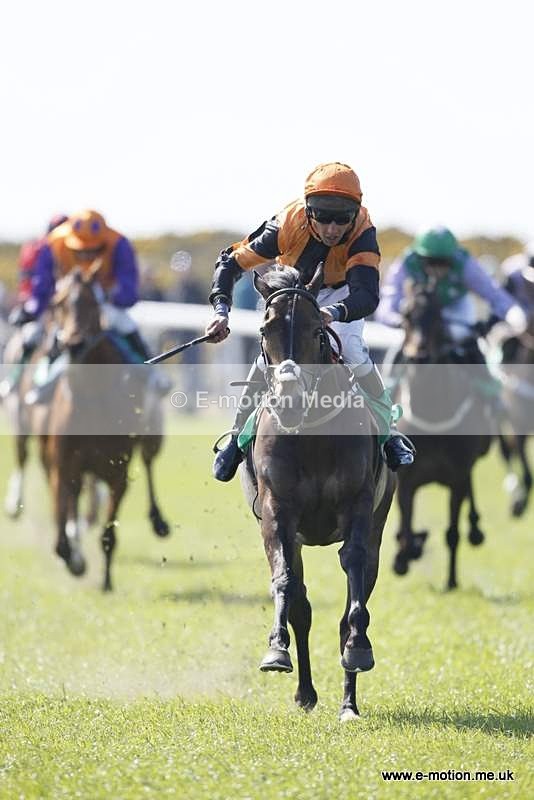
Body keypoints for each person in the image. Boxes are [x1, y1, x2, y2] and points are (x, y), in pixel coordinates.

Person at [206, 161, 415, 482]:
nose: (332, 229)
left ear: (355, 213)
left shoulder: (362, 231)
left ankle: (388, 434)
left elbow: (367, 296)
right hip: (291, 290)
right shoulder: (285, 224)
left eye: (342, 220)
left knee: (351, 347)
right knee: (270, 358)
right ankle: (237, 438)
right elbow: (231, 262)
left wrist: (334, 312)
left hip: (341, 294)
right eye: (323, 218)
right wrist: (221, 310)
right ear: (308, 211)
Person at [10, 209, 166, 403]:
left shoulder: (119, 243)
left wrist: (110, 296)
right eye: (80, 250)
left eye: (92, 250)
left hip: (106, 302)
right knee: (41, 334)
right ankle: (30, 382)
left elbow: (129, 289)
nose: (85, 254)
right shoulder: (53, 243)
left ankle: (152, 373)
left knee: (125, 324)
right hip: (68, 302)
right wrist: (33, 309)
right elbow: (42, 284)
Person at [376, 226, 528, 347]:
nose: (437, 269)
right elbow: (389, 301)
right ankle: (388, 383)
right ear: (420, 257)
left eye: (444, 262)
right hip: (421, 311)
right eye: (431, 262)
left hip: (456, 307)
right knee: (400, 342)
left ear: (453, 257)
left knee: (462, 336)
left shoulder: (465, 263)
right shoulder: (406, 263)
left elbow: (493, 293)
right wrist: (398, 321)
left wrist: (513, 315)